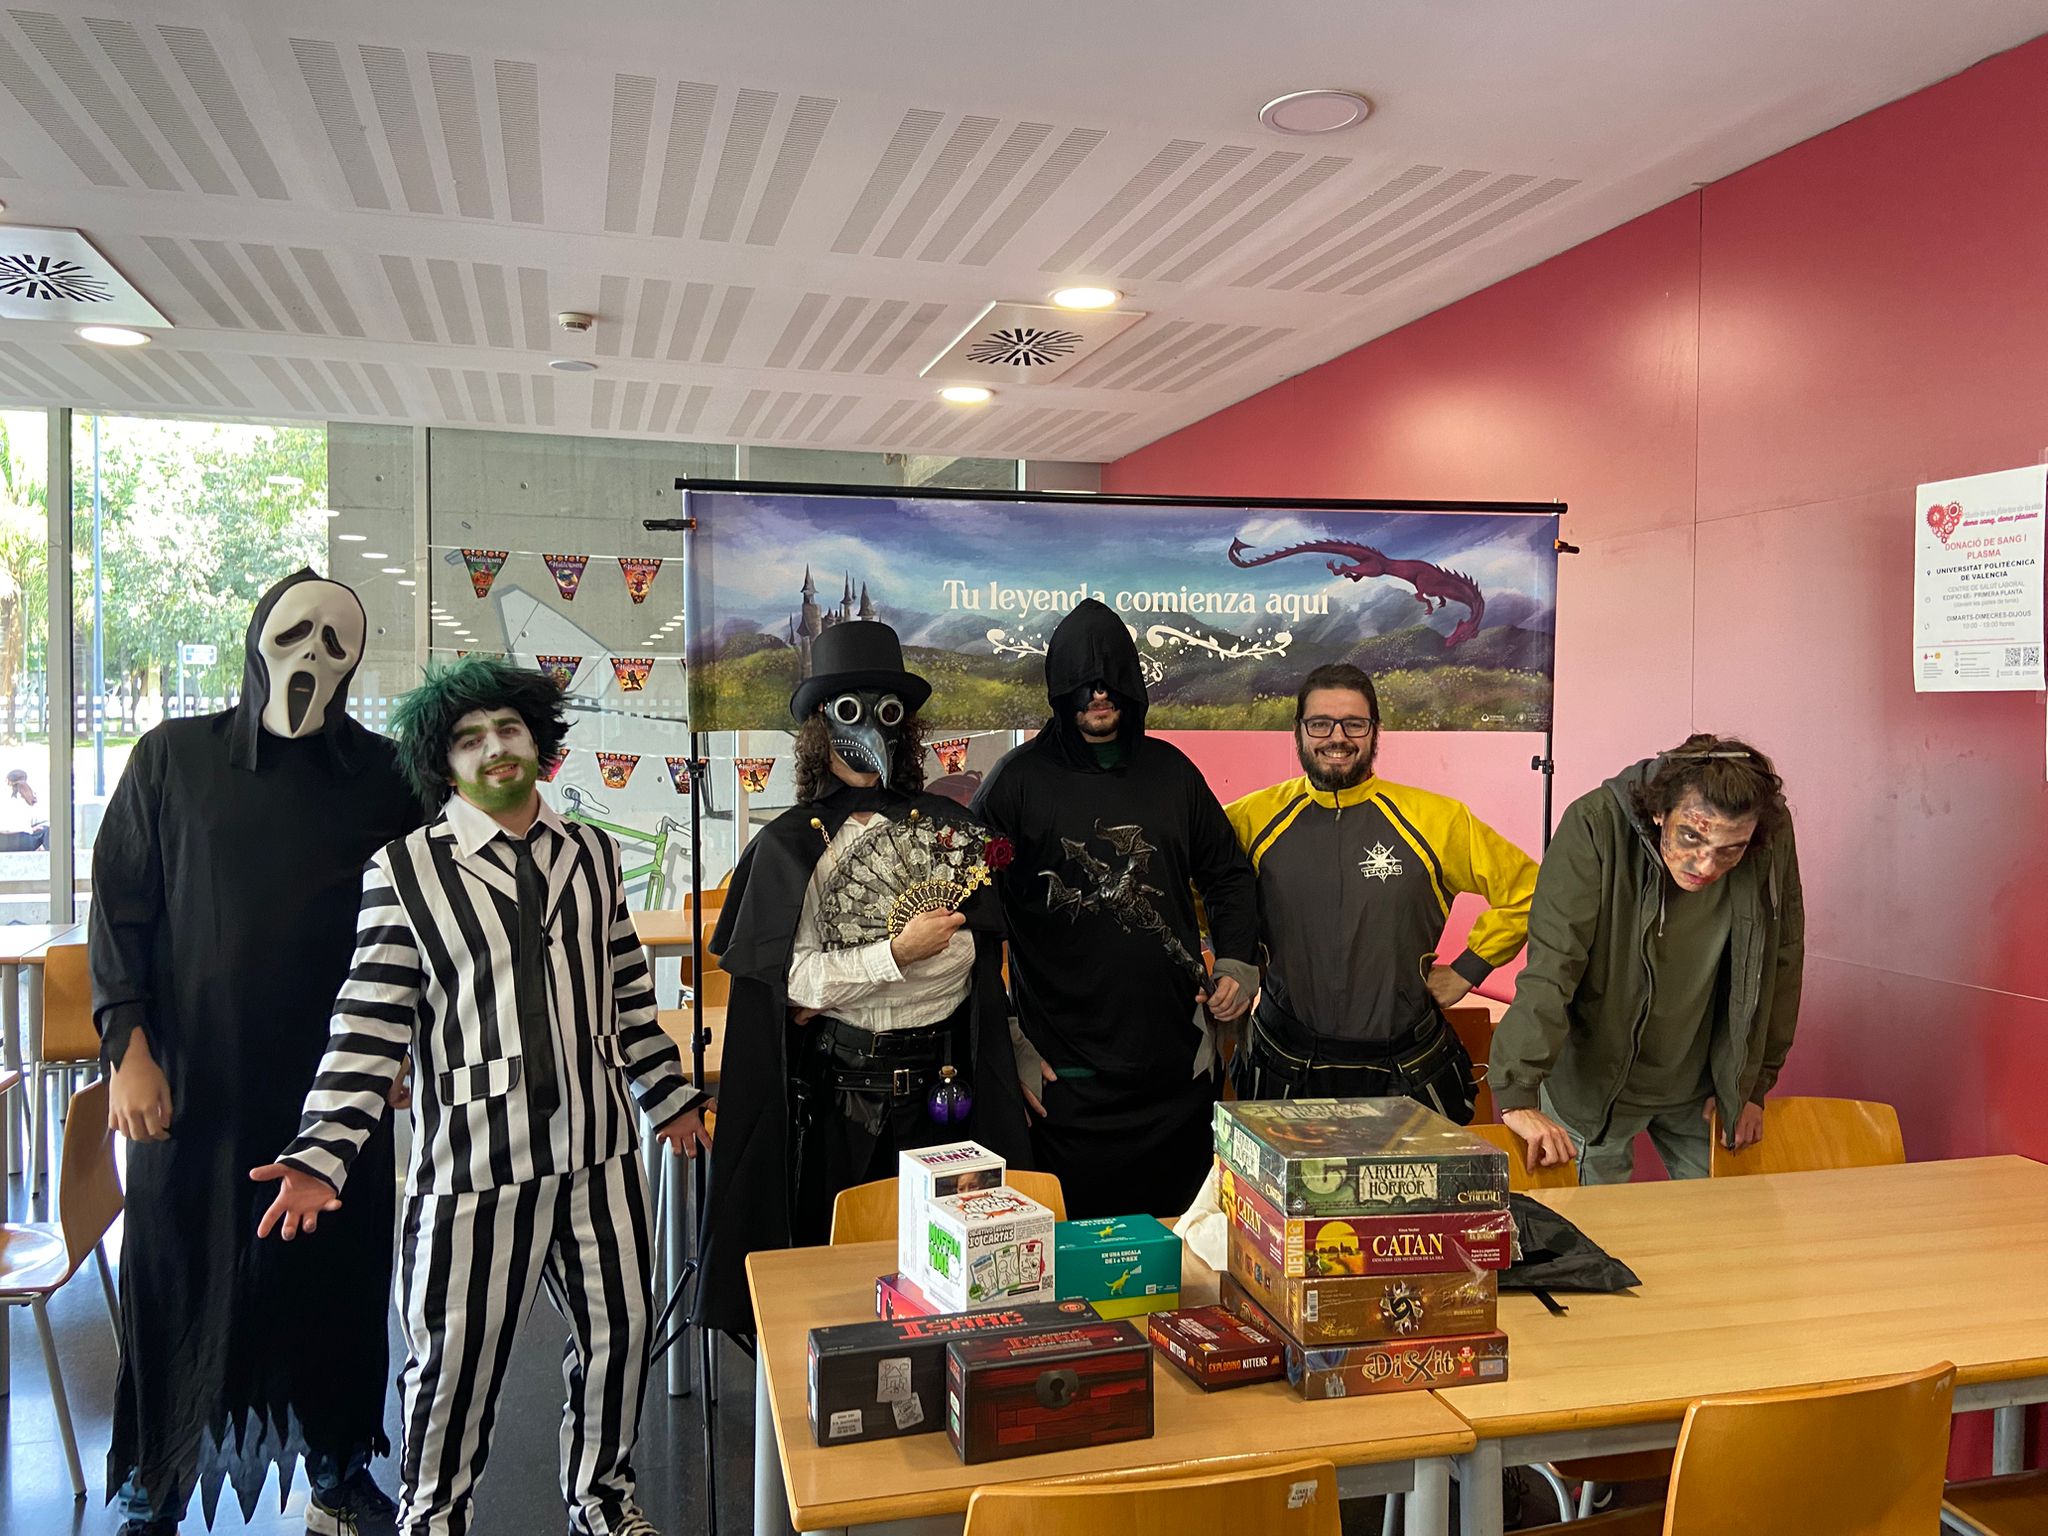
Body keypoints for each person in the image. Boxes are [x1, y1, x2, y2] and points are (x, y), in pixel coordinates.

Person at [252, 658, 709, 1536]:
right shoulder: (406, 870)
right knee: (452, 1363)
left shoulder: (591, 853)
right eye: (468, 739)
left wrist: (668, 1093)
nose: (494, 748)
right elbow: (368, 1021)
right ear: (444, 763)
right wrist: (321, 1153)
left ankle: (603, 1501)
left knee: (619, 1338)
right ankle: (433, 1514)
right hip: (471, 1168)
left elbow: (625, 989)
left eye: (508, 729)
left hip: (600, 1154)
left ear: (539, 742)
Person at [91, 571, 419, 1536]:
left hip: (335, 1092)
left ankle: (337, 1470)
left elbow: (420, 924)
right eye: (295, 632)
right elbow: (121, 903)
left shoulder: (385, 776)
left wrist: (403, 1045)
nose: (311, 654)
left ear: (355, 661)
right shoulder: (173, 758)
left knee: (335, 1284)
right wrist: (127, 1046)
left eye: (335, 641)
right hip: (196, 1087)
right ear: (255, 636)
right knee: (180, 1275)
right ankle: (157, 1477)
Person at [695, 620, 1029, 1334]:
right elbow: (793, 983)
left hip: (943, 1093)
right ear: (821, 728)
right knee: (839, 1287)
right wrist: (895, 956)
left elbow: (960, 967)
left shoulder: (946, 832)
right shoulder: (789, 844)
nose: (869, 728)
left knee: (948, 1279)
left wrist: (843, 981)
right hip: (840, 1101)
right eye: (850, 710)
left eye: (887, 711)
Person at [973, 598, 1258, 1219]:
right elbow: (969, 917)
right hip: (1064, 1083)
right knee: (1074, 1259)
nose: (1098, 696)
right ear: (1060, 691)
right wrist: (1005, 1038)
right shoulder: (1016, 784)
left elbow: (1229, 876)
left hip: (1178, 1072)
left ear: (1131, 685)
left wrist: (1238, 963)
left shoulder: (1172, 773)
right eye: (1083, 685)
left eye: (1110, 683)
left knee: (1183, 1255)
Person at [1225, 664, 1538, 1118]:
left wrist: (1470, 968)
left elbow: (1532, 891)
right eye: (1320, 723)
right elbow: (1197, 897)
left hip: (1407, 1071)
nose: (1337, 737)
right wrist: (1233, 960)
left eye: (1354, 724)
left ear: (1376, 731)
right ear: (1298, 730)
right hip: (1283, 1069)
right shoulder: (1247, 820)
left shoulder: (1438, 820)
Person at [1489, 733, 1804, 1183]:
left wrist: (1752, 1085)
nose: (1705, 865)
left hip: (1703, 1086)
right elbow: (1553, 965)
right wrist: (1517, 1093)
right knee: (1591, 1225)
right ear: (1659, 812)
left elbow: (1782, 958)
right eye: (1691, 837)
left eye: (1729, 850)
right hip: (1592, 1085)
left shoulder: (1767, 835)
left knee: (1730, 1221)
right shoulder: (1595, 824)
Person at [0, 766, 48, 851]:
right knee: (46, 829)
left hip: (2, 843)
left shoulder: (3, 794)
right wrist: (30, 829)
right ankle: (48, 854)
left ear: (7, 781)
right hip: (22, 842)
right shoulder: (28, 797)